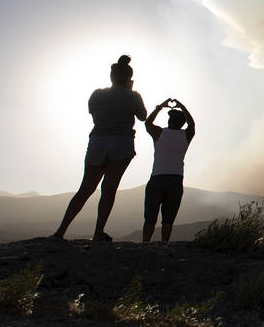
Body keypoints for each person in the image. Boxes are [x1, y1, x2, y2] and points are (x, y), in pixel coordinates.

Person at [53, 55, 147, 241]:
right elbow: (143, 116)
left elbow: (94, 113)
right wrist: (129, 92)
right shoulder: (133, 96)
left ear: (111, 76)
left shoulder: (97, 94)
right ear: (129, 78)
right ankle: (98, 232)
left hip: (98, 141)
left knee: (86, 188)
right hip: (122, 143)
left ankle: (60, 231)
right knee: (109, 189)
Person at [142, 97, 195, 243]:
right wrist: (182, 106)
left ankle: (145, 243)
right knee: (168, 219)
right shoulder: (186, 135)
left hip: (157, 179)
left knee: (150, 217)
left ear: (169, 121)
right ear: (182, 123)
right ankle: (164, 244)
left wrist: (160, 107)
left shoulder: (159, 133)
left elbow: (147, 123)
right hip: (175, 180)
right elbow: (192, 124)